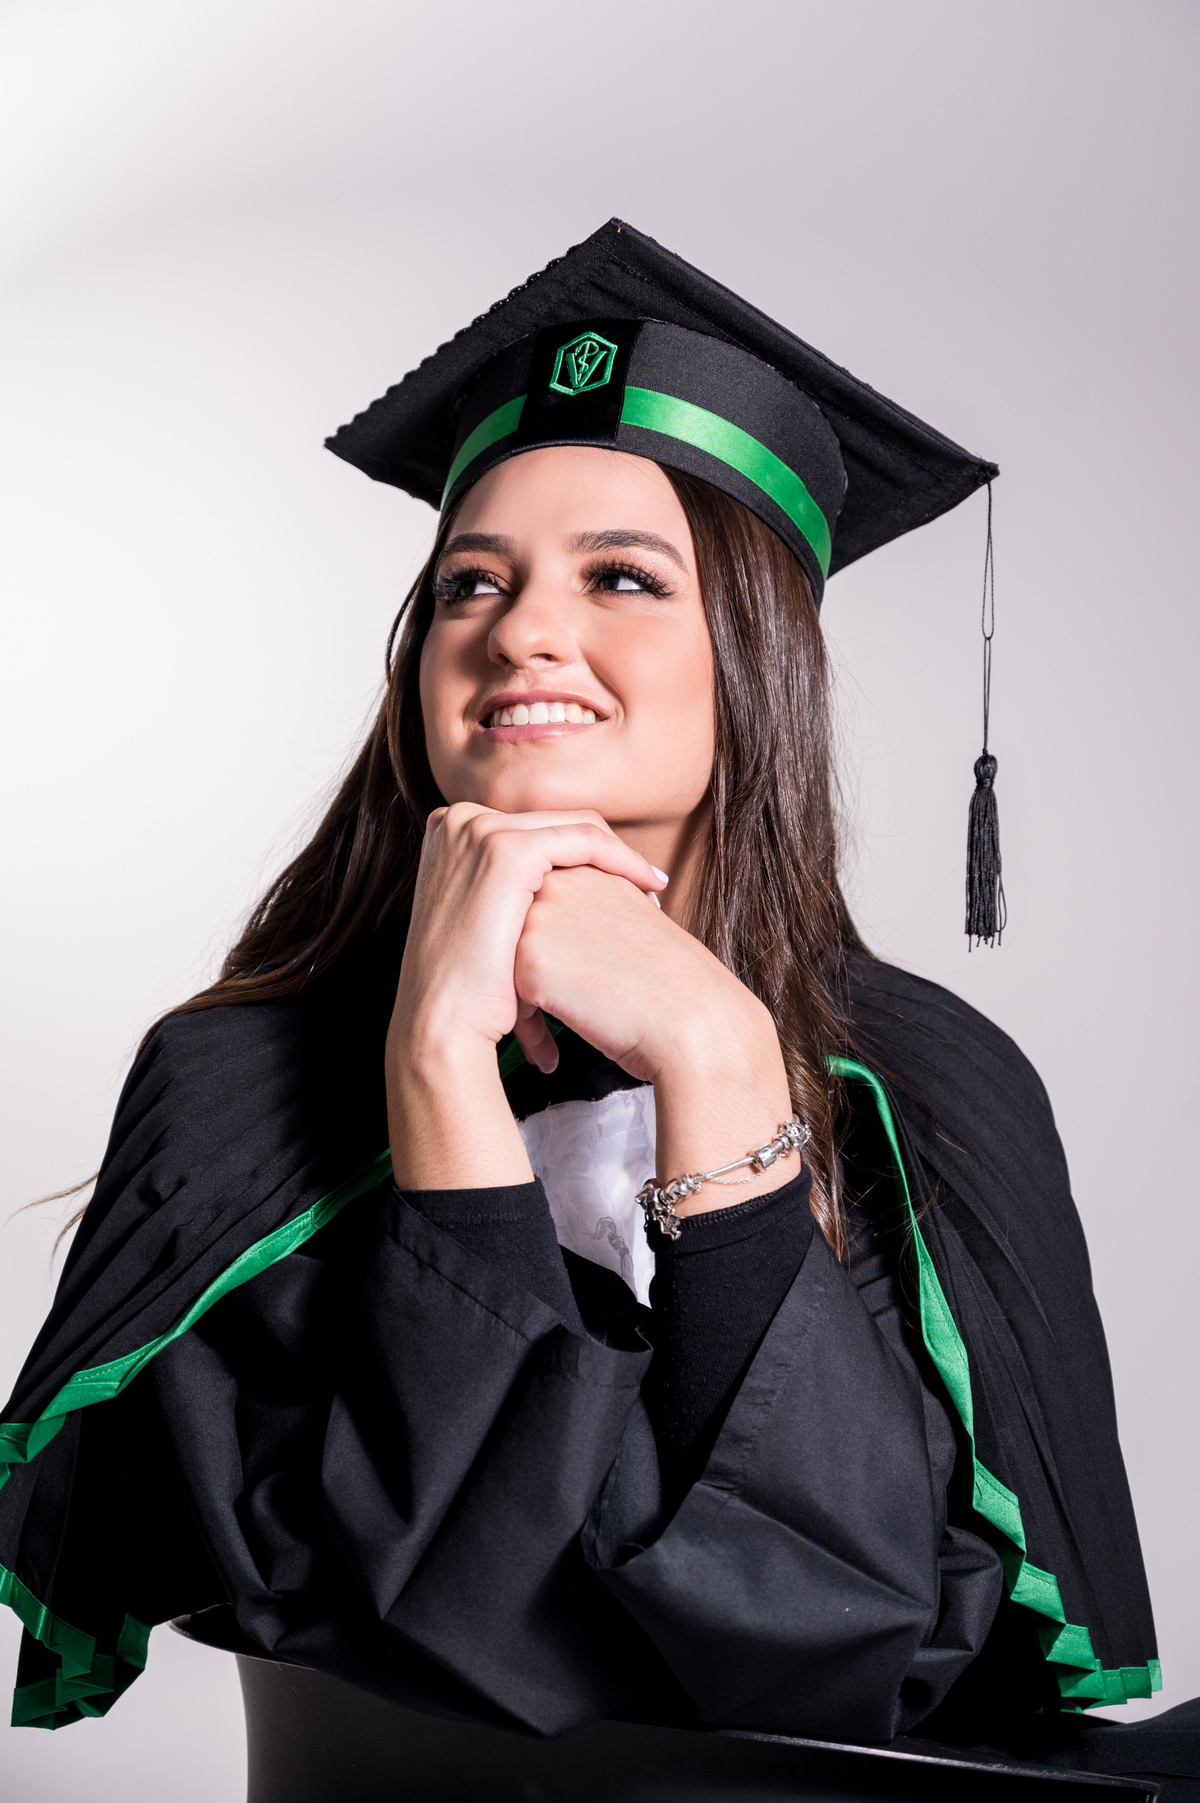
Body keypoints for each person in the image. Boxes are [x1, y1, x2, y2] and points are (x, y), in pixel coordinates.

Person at [2, 219, 1194, 1798]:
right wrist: (437, 1065)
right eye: (468, 586)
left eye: (623, 578)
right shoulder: (239, 1083)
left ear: (756, 662)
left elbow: (845, 1642)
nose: (518, 633)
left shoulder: (937, 1081)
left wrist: (717, 1060)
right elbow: (440, 1628)